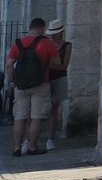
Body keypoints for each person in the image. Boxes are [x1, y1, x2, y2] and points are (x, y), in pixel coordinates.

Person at [7, 17, 60, 157]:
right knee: (36, 117)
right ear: (42, 28)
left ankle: (17, 148)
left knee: (20, 117)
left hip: (21, 85)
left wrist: (12, 82)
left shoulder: (18, 43)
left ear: (30, 28)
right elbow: (56, 63)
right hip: (41, 83)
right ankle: (31, 146)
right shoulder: (48, 43)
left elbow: (9, 65)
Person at [43, 19, 70, 152]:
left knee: (54, 109)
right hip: (46, 79)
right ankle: (30, 139)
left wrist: (50, 64)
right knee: (40, 110)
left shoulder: (67, 46)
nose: (53, 36)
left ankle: (50, 139)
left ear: (61, 33)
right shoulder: (46, 44)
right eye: (51, 33)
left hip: (59, 78)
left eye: (55, 33)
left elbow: (64, 66)